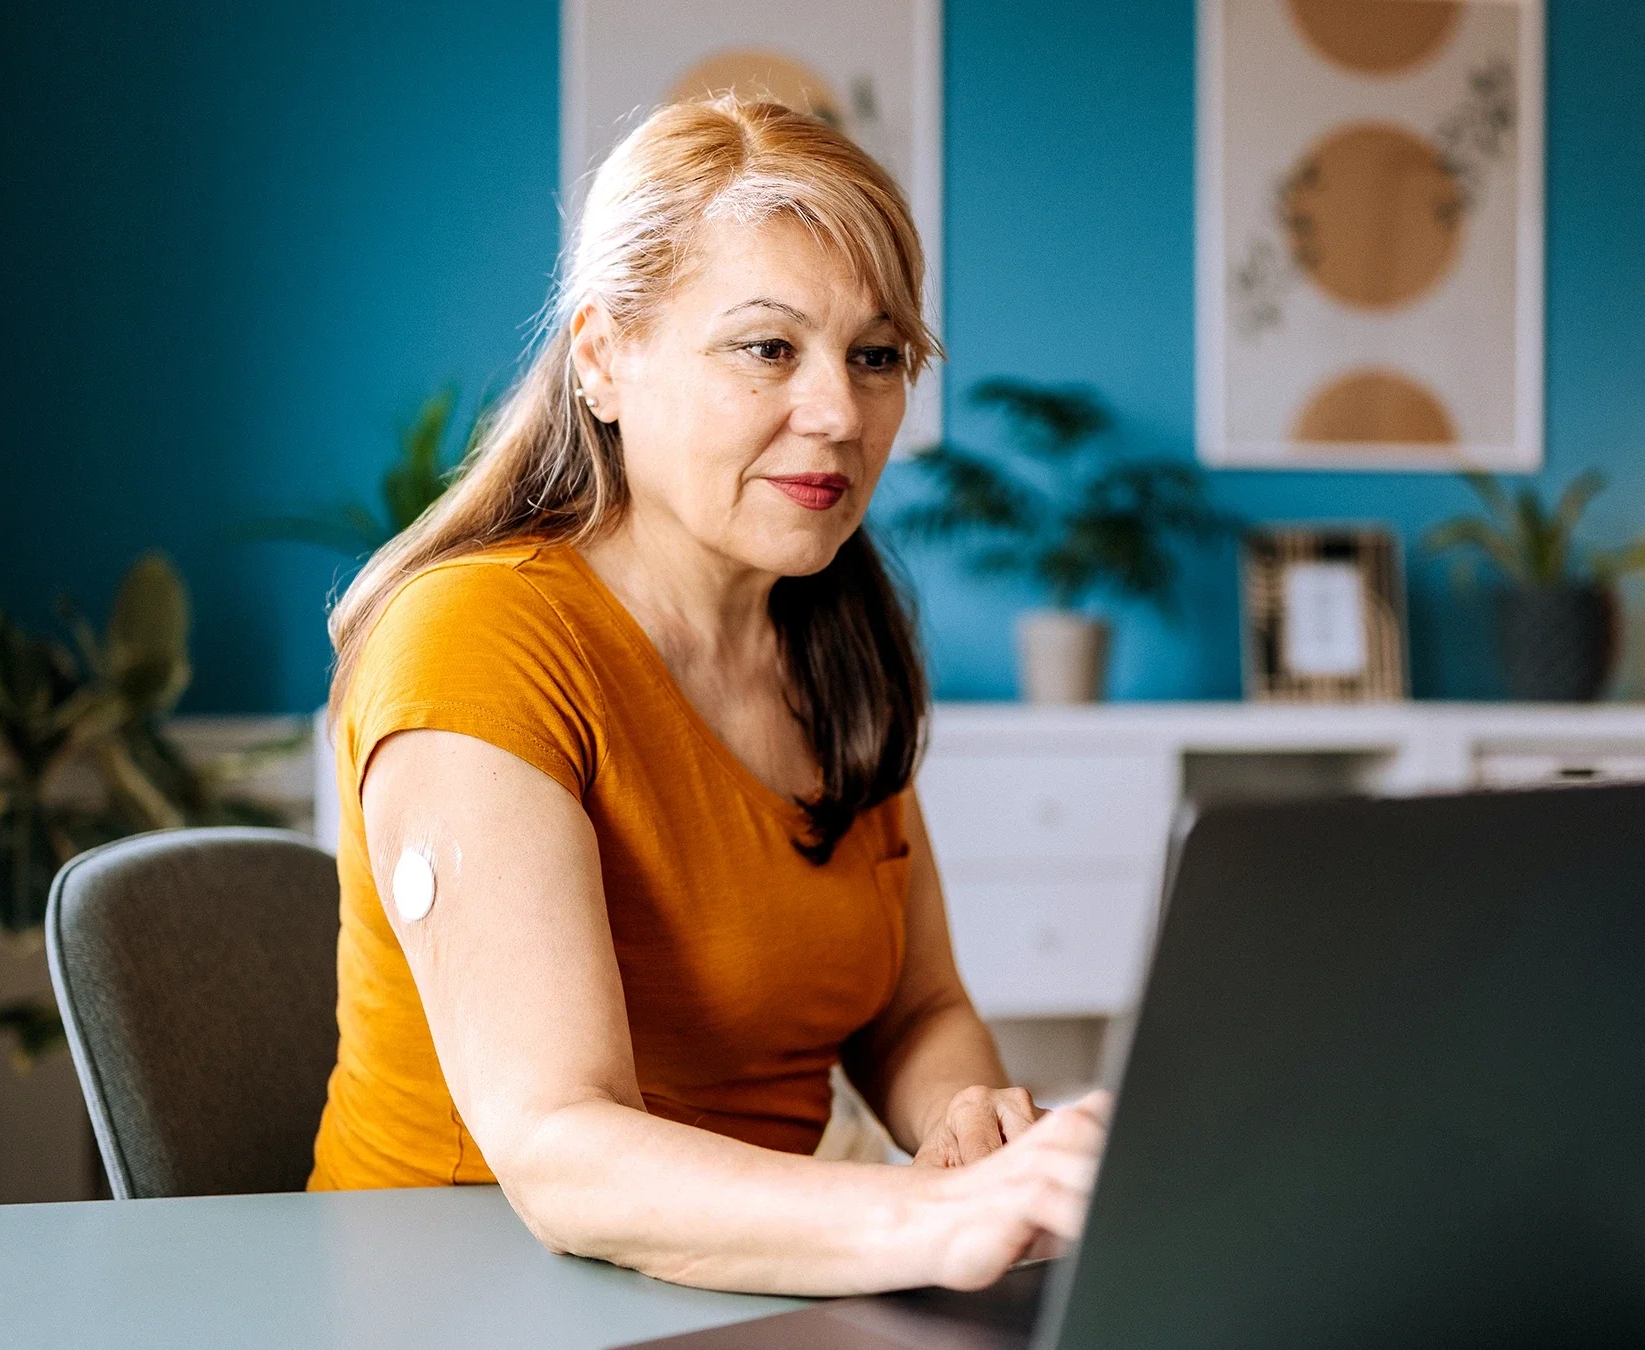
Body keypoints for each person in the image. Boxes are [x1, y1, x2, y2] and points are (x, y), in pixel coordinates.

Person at [307, 96, 1108, 1297]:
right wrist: (928, 1219)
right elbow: (558, 1150)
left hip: (736, 1293)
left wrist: (971, 1133)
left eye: (876, 355)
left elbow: (914, 1004)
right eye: (768, 348)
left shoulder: (836, 632)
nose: (839, 413)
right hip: (463, 1298)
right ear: (602, 358)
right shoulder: (475, 639)